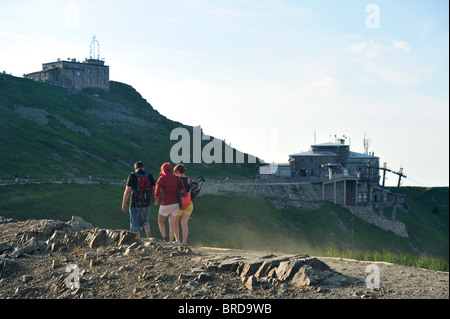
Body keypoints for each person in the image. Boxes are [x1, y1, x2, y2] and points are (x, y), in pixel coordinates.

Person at [121, 161, 156, 239]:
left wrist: (124, 203)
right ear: (143, 168)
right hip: (146, 202)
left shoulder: (132, 176)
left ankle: (137, 240)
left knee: (134, 222)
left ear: (135, 168)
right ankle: (148, 232)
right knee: (145, 220)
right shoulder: (149, 175)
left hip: (135, 203)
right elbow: (154, 188)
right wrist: (150, 195)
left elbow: (127, 191)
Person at [154, 162, 180, 242]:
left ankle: (164, 238)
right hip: (176, 203)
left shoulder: (162, 178)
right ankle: (171, 241)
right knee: (172, 224)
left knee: (160, 221)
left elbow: (157, 191)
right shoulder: (176, 178)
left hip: (165, 203)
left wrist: (157, 200)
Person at [173, 164, 193, 244]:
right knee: (184, 224)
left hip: (179, 204)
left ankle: (178, 241)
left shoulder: (176, 179)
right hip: (188, 203)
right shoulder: (189, 179)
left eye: (174, 172)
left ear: (177, 171)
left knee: (175, 223)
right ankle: (184, 242)